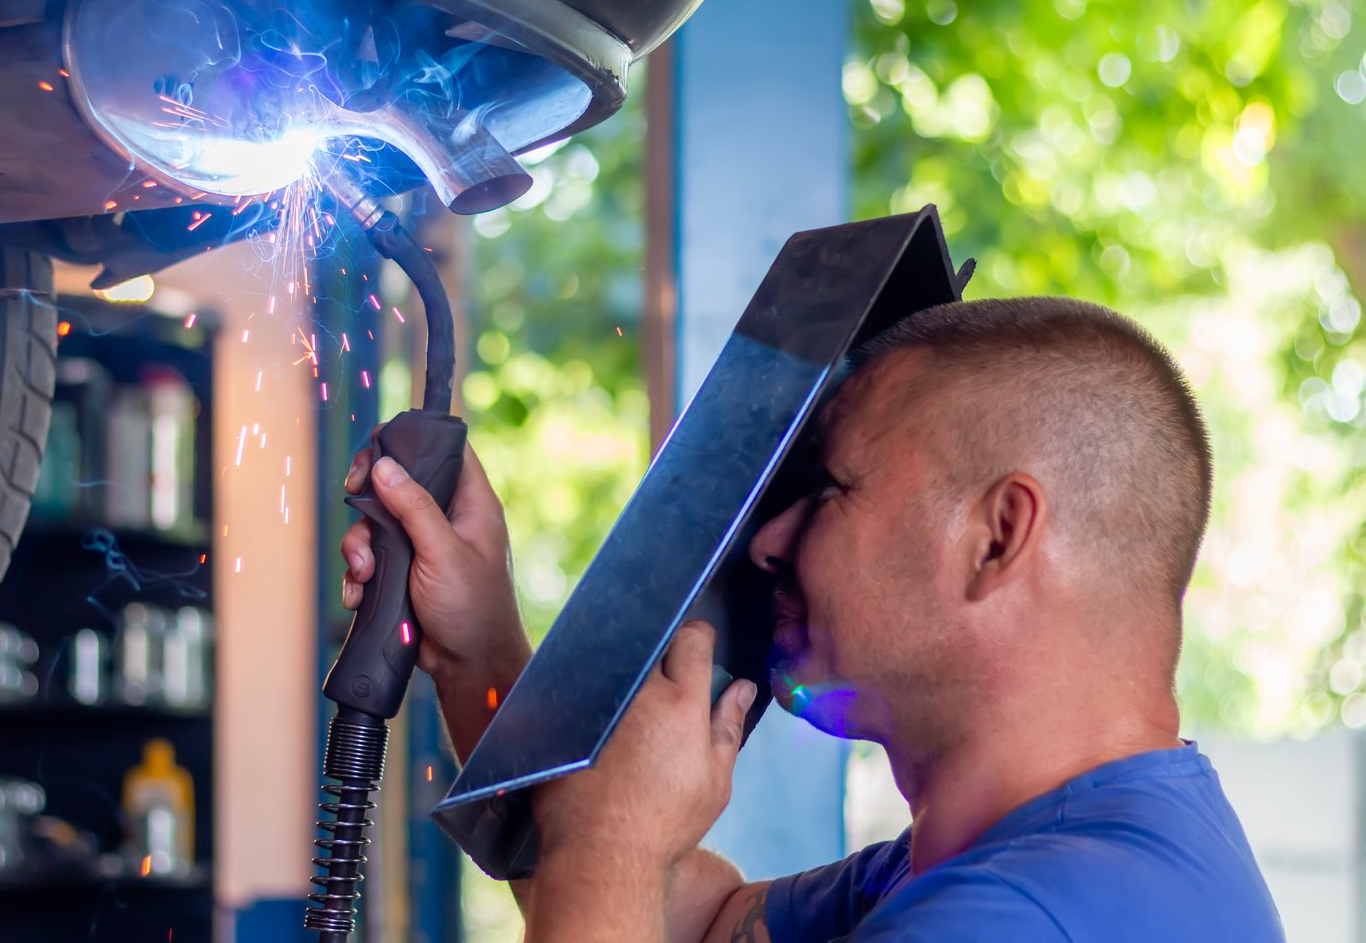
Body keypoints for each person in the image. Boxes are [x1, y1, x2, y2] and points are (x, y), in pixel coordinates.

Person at [339, 296, 1284, 942]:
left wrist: (614, 841)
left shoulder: (1031, 915)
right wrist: (479, 651)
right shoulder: (1003, 857)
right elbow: (695, 923)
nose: (769, 541)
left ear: (998, 537)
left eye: (830, 490)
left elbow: (618, 876)